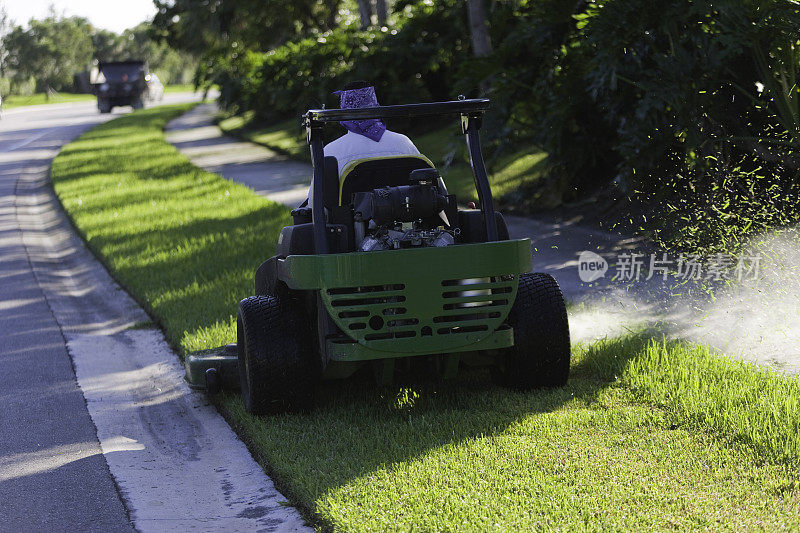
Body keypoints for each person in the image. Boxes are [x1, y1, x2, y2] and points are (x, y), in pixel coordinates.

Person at [308, 82, 422, 203]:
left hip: (350, 221)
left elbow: (314, 203)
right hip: (406, 218)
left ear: (343, 110)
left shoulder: (331, 151)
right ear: (375, 105)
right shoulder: (404, 143)